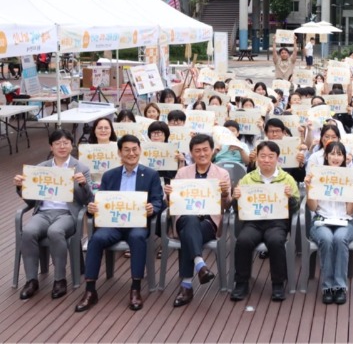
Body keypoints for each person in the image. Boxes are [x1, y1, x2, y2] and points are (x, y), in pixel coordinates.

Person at [75, 135, 164, 313]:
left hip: (137, 223)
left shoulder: (151, 174)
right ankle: (90, 290)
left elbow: (158, 201)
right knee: (96, 239)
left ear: (140, 150)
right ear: (119, 153)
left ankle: (135, 288)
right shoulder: (110, 175)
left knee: (138, 237)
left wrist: (152, 208)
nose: (131, 153)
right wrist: (93, 207)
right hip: (113, 223)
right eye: (126, 150)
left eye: (134, 149)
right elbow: (101, 200)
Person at [14, 130, 93, 300]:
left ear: (71, 145)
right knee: (28, 232)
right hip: (43, 212)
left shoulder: (82, 168)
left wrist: (83, 185)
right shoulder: (41, 168)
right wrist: (21, 187)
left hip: (67, 214)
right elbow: (31, 201)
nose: (62, 146)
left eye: (65, 143)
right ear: (51, 147)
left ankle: (59, 279)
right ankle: (31, 280)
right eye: (57, 143)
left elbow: (88, 200)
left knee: (55, 231)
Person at [165, 134, 232, 307]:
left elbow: (226, 205)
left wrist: (225, 193)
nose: (202, 154)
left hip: (208, 222)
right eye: (197, 151)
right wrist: (169, 194)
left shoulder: (222, 174)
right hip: (184, 218)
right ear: (191, 153)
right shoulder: (182, 172)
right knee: (189, 219)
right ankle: (200, 265)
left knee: (189, 233)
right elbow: (172, 203)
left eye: (205, 150)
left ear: (212, 151)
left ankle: (187, 285)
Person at [231, 140, 300, 302]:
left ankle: (278, 284)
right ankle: (241, 283)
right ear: (257, 158)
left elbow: (296, 207)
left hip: (277, 222)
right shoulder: (248, 179)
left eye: (270, 156)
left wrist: (290, 198)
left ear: (277, 158)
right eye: (262, 156)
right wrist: (236, 198)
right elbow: (238, 209)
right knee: (243, 241)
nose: (266, 160)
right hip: (253, 222)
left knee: (276, 241)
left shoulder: (287, 179)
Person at [304, 141, 353, 305]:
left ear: (344, 158)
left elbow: (350, 211)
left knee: (339, 238)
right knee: (327, 239)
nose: (335, 157)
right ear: (326, 156)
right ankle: (328, 286)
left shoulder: (349, 177)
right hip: (321, 221)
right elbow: (313, 207)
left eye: (339, 154)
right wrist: (309, 189)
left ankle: (340, 287)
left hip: (344, 221)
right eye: (332, 153)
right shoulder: (317, 176)